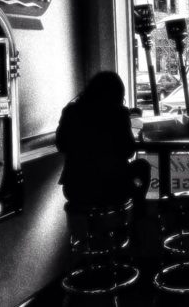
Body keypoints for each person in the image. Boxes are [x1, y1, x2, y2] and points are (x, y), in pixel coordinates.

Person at [56, 71, 150, 208]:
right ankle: (135, 218)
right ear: (117, 94)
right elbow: (129, 151)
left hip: (75, 188)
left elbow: (61, 144)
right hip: (111, 186)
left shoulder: (71, 110)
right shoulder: (118, 113)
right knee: (142, 166)